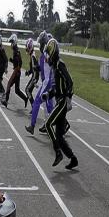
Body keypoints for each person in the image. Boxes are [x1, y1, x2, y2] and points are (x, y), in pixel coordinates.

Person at [42, 38, 78, 169]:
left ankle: (58, 153)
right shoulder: (55, 65)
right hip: (59, 99)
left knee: (47, 124)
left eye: (48, 53)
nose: (47, 56)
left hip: (62, 101)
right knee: (59, 136)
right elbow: (57, 87)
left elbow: (70, 82)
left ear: (53, 52)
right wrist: (49, 94)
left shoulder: (59, 65)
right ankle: (73, 159)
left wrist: (68, 97)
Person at [25, 32, 54, 135]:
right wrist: (37, 67)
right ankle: (59, 124)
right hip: (47, 82)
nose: (40, 46)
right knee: (50, 106)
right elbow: (44, 68)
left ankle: (32, 126)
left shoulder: (46, 53)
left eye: (41, 44)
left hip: (46, 83)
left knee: (37, 101)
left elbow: (48, 67)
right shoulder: (45, 54)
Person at [1, 34, 28, 108]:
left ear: (14, 42)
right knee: (17, 90)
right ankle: (25, 98)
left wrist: (17, 71)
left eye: (12, 42)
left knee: (9, 84)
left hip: (16, 71)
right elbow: (17, 62)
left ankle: (6, 101)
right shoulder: (15, 50)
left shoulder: (16, 51)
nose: (11, 44)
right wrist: (12, 61)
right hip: (17, 71)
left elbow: (20, 62)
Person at [24, 38, 40, 107]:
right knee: (28, 90)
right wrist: (28, 72)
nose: (27, 50)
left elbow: (35, 69)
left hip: (35, 76)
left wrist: (34, 81)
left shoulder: (33, 56)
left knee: (27, 90)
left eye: (27, 49)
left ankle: (34, 107)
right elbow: (32, 69)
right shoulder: (32, 55)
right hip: (35, 76)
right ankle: (33, 106)